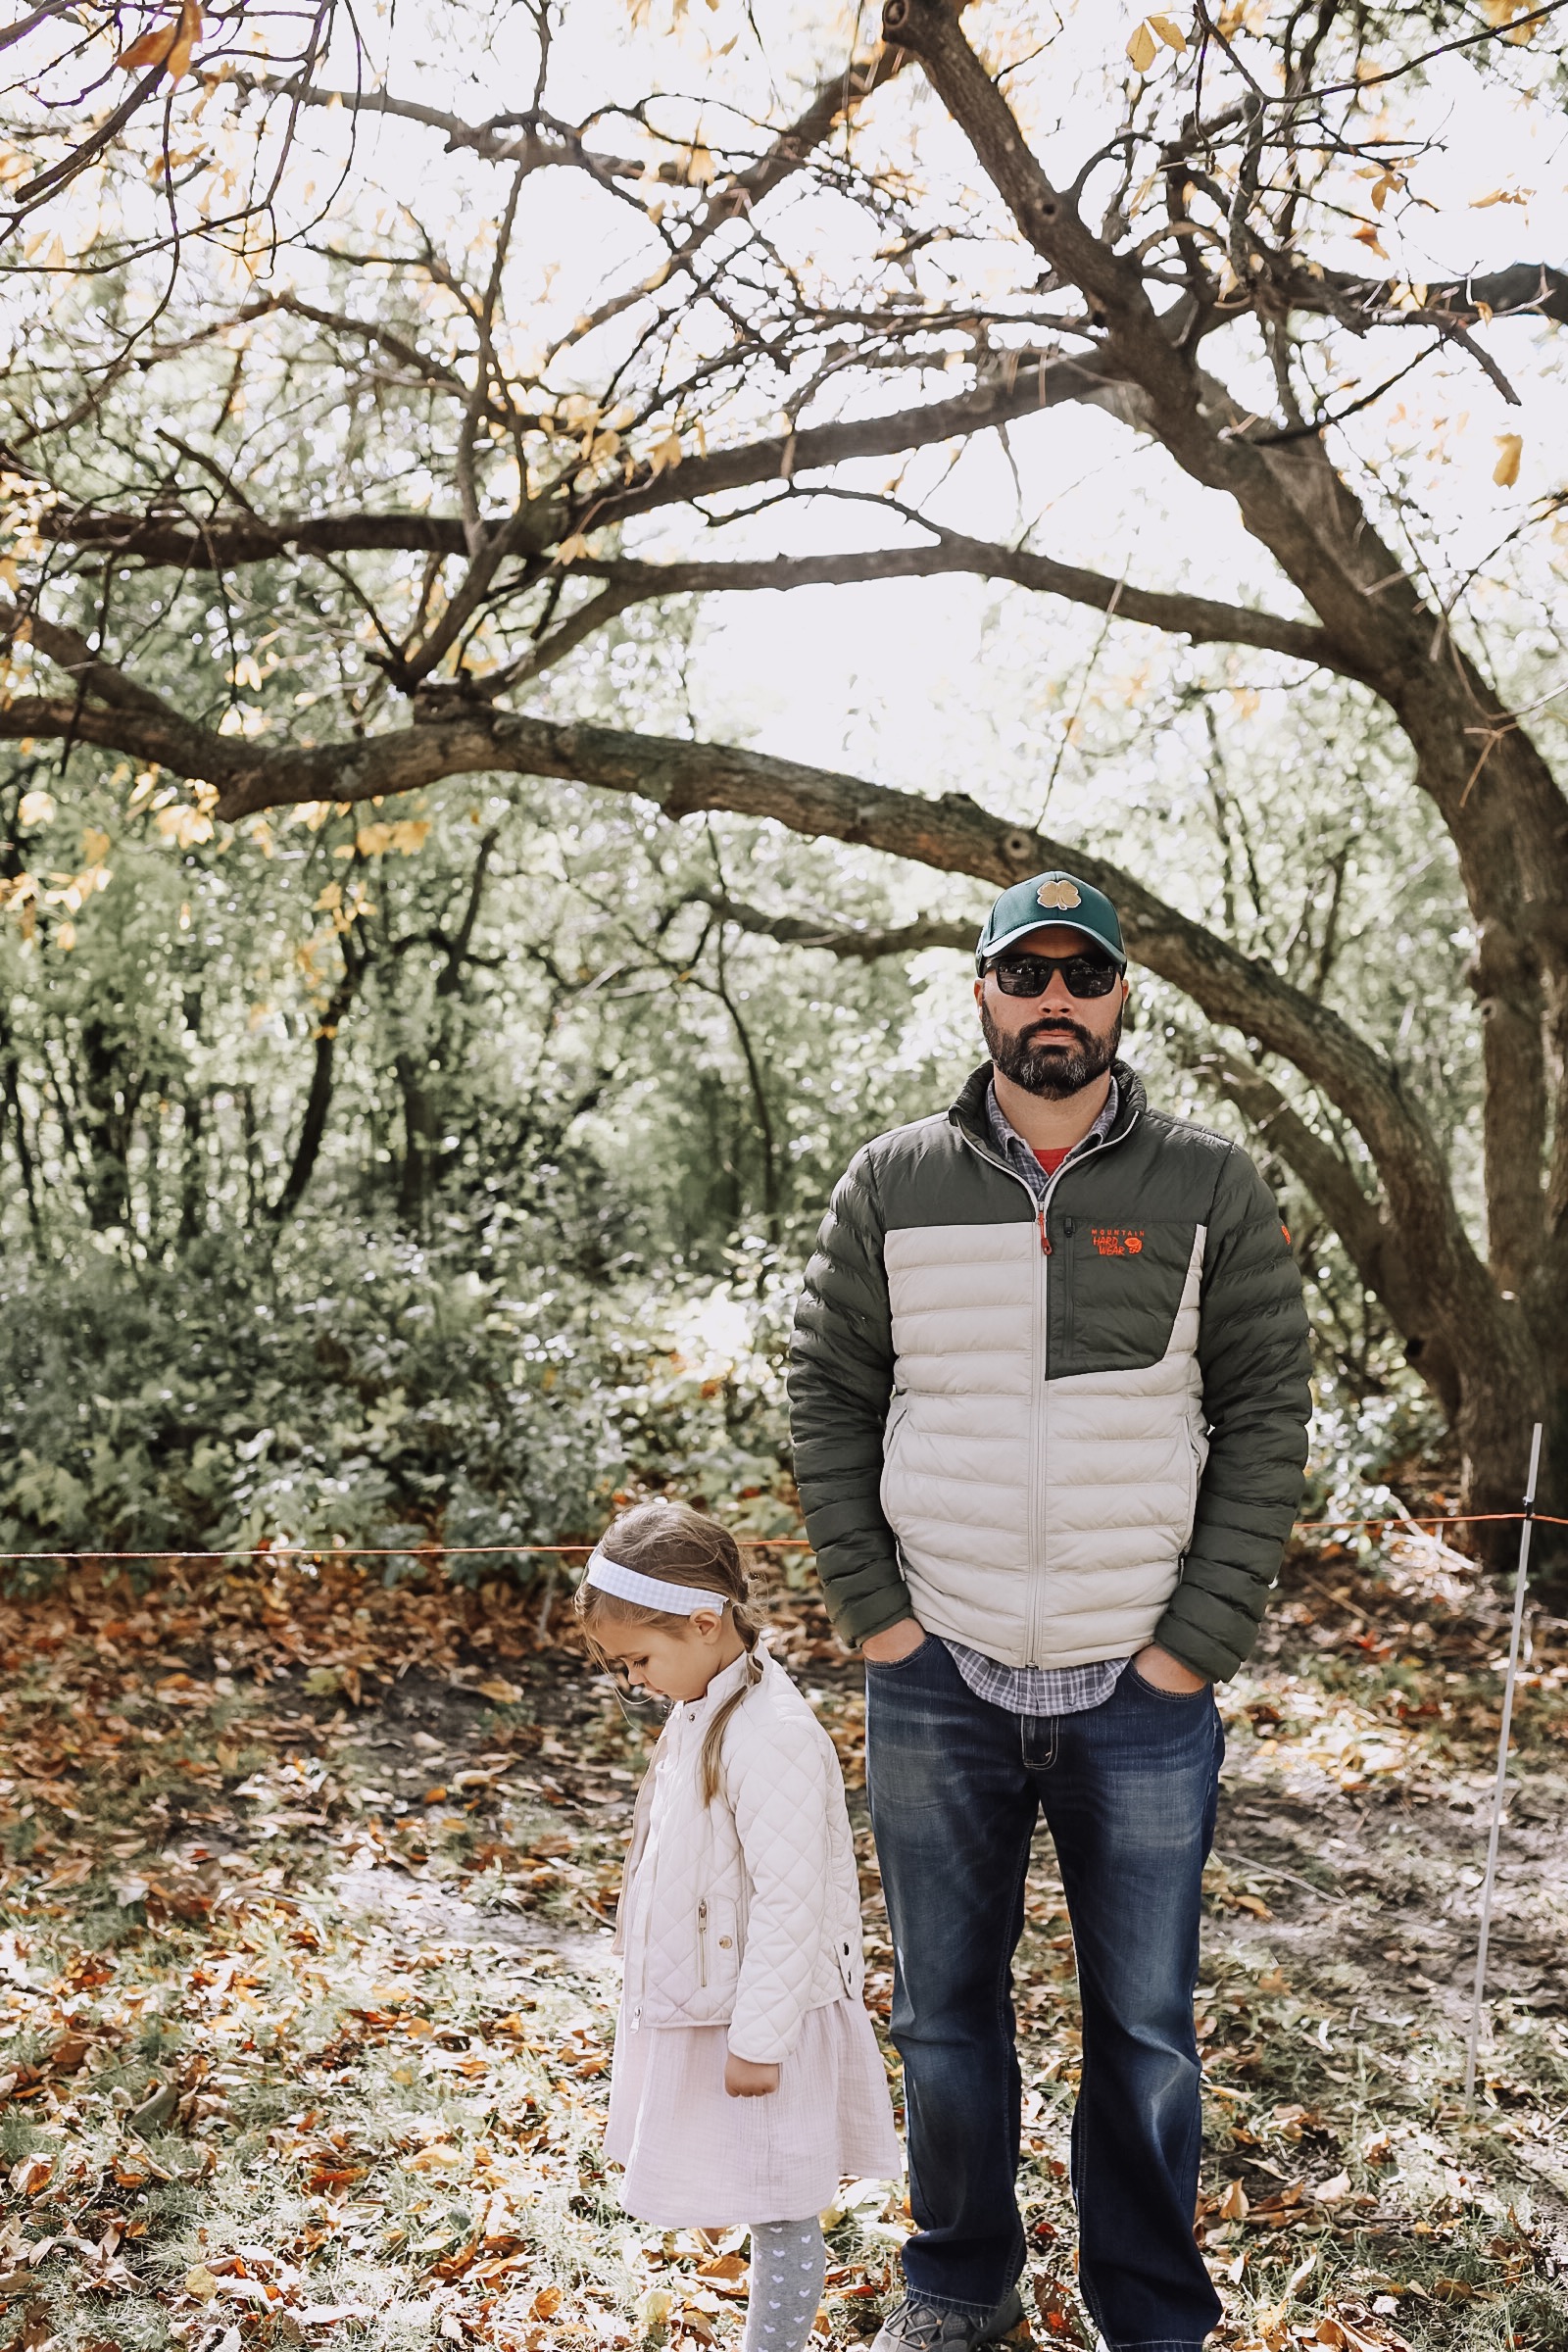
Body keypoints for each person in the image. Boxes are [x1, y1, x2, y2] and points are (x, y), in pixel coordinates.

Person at [789, 871, 1312, 2352]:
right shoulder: (892, 1184)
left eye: (1086, 976)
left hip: (1141, 1690)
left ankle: (1148, 2311)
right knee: (944, 2023)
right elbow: (828, 1399)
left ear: (1123, 1000)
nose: (1057, 1002)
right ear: (984, 997)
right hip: (936, 1673)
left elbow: (1270, 1419)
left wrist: (1192, 1646)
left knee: (1144, 2035)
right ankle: (958, 2281)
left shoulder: (1210, 1185)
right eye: (1030, 976)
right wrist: (880, 1620)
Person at [581, 1500, 902, 2352]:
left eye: (639, 1659)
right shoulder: (708, 1710)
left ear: (702, 1621)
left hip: (768, 2017)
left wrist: (760, 2040)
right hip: (721, 1998)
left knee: (780, 2196)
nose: (635, 1681)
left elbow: (794, 1903)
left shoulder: (773, 1735)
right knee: (758, 2190)